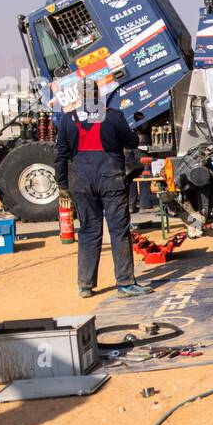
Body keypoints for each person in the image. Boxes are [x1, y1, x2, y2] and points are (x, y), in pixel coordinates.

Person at [55, 97, 154, 298]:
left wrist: (62, 184)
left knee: (88, 230)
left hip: (80, 181)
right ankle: (125, 284)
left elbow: (61, 155)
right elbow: (132, 141)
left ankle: (85, 285)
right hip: (111, 179)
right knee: (119, 230)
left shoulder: (67, 120)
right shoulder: (113, 116)